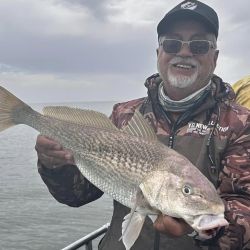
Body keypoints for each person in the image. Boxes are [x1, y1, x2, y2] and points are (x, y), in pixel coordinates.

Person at [35, 1, 250, 249]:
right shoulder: (124, 114)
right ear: (159, 53)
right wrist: (54, 165)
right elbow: (78, 195)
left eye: (199, 45)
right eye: (172, 44)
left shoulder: (240, 124)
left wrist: (203, 231)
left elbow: (245, 204)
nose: (184, 52)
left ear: (215, 57)